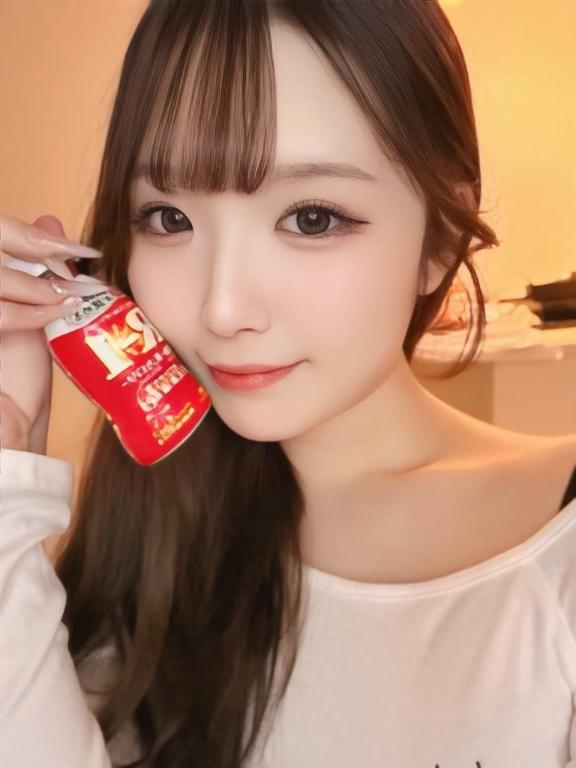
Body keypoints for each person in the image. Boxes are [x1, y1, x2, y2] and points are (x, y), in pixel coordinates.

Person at [1, 0, 575, 766]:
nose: (222, 310)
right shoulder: (148, 533)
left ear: (439, 237)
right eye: (168, 219)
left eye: (311, 218)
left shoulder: (556, 549)